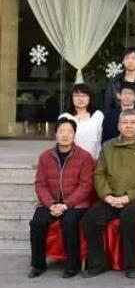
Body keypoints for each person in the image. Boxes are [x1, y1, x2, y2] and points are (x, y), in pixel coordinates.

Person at [83, 109, 135, 278]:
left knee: (128, 217)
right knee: (90, 219)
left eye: (133, 123)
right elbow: (99, 174)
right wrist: (107, 196)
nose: (128, 126)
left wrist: (128, 197)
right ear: (118, 126)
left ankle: (131, 265)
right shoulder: (108, 146)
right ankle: (98, 263)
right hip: (111, 198)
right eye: (125, 123)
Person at [29, 118, 94, 279]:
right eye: (61, 131)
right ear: (55, 134)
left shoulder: (84, 157)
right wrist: (51, 204)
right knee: (37, 223)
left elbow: (85, 186)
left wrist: (66, 205)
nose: (65, 135)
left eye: (69, 132)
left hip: (76, 204)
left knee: (69, 222)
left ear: (74, 134)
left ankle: (73, 265)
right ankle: (38, 264)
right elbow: (40, 184)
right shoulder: (45, 157)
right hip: (50, 203)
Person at [59, 83, 104, 159]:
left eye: (84, 95)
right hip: (71, 161)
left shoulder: (98, 116)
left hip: (94, 160)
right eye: (77, 96)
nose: (80, 99)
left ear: (90, 98)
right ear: (71, 98)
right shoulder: (65, 117)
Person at [103, 47, 135, 113]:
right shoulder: (114, 81)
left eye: (133, 58)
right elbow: (108, 106)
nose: (130, 61)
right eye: (127, 58)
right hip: (118, 117)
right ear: (123, 61)